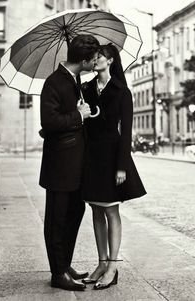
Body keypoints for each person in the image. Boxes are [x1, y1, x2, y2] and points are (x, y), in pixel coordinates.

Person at [81, 44, 147, 290]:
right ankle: (100, 263)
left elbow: (126, 131)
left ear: (109, 61)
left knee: (110, 211)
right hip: (91, 157)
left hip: (111, 158)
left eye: (98, 57)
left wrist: (122, 167)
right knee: (96, 211)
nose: (94, 60)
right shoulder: (85, 88)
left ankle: (112, 266)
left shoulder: (122, 91)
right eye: (94, 57)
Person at [39, 34, 100, 291]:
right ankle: (57, 273)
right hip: (59, 166)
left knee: (76, 212)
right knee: (57, 218)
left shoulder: (74, 80)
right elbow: (49, 123)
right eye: (94, 59)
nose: (97, 62)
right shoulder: (54, 82)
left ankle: (64, 264)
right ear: (84, 60)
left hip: (76, 164)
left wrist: (85, 112)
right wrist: (78, 115)